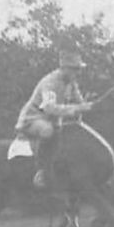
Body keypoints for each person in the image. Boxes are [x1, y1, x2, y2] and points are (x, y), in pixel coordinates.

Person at [16, 50, 91, 188]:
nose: (78, 72)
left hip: (53, 120)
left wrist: (92, 106)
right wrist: (77, 109)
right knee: (47, 131)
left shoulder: (71, 83)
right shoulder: (50, 82)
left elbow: (80, 103)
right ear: (64, 68)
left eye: (79, 69)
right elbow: (49, 108)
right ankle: (41, 171)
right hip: (32, 119)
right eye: (75, 69)